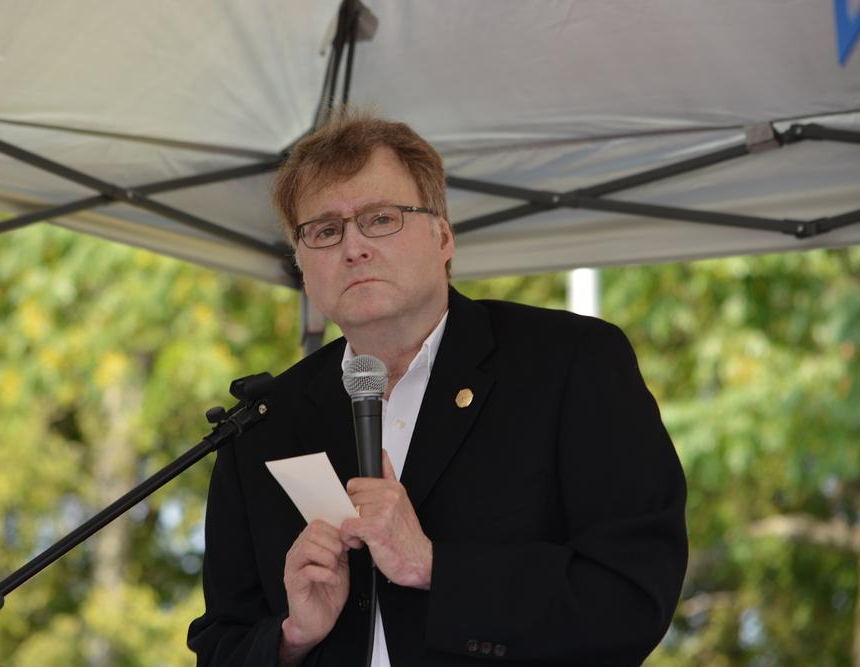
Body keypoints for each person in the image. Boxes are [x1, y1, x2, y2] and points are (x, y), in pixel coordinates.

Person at [188, 112, 688, 666]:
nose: (353, 248)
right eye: (325, 231)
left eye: (380, 219)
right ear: (302, 265)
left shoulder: (570, 363)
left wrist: (432, 566)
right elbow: (219, 645)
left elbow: (632, 596)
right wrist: (290, 637)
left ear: (443, 235)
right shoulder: (263, 424)